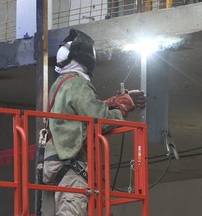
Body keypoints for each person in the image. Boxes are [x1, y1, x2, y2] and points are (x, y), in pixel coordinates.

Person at [40, 29, 145, 216]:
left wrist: (112, 102)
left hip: (56, 162)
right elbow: (100, 120)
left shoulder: (61, 85)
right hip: (70, 165)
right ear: (86, 59)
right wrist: (123, 106)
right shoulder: (77, 84)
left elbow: (84, 111)